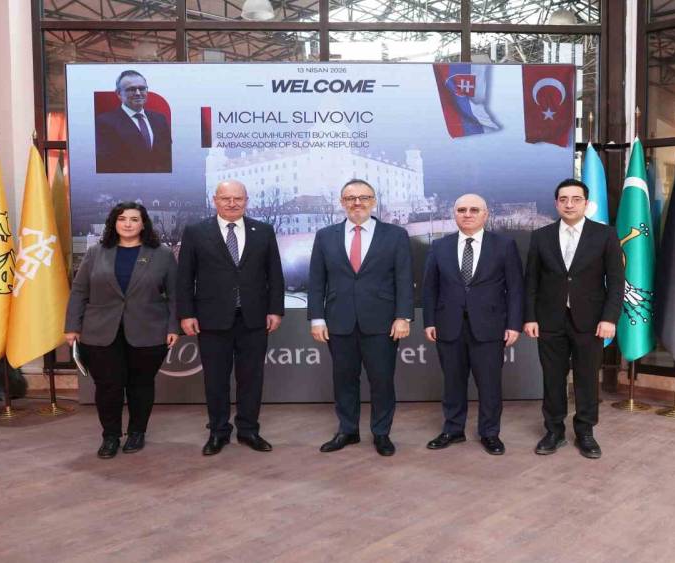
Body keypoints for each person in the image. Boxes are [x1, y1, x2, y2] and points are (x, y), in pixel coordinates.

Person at [177, 180, 284, 456]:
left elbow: (274, 274)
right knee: (215, 379)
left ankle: (249, 430)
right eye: (226, 198)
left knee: (251, 378)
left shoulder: (263, 231)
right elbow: (184, 277)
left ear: (246, 200)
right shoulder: (196, 232)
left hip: (254, 318)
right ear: (215, 200)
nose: (232, 203)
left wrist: (275, 310)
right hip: (211, 319)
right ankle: (218, 431)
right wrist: (186, 314)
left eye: (238, 198)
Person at [64, 202, 179, 459]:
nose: (128, 224)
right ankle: (111, 436)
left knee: (141, 385)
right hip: (100, 331)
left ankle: (137, 432)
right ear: (113, 223)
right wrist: (72, 326)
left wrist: (174, 326)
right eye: (122, 218)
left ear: (143, 224)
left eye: (134, 219)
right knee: (108, 386)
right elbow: (79, 291)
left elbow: (175, 294)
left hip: (149, 330)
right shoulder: (96, 253)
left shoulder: (162, 254)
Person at [308, 179, 413, 456]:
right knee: (344, 380)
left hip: (382, 323)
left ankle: (381, 433)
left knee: (382, 381)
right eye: (350, 198)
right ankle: (348, 430)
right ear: (342, 202)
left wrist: (403, 316)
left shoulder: (395, 235)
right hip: (338, 322)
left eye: (364, 197)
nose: (357, 203)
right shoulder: (325, 236)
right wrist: (317, 318)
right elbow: (317, 281)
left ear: (374, 201)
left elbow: (404, 279)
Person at [524, 179, 624, 459]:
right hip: (549, 320)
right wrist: (530, 317)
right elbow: (531, 281)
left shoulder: (605, 235)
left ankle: (585, 432)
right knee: (552, 378)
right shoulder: (541, 236)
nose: (569, 204)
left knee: (587, 378)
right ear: (556, 203)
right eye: (563, 199)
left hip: (591, 322)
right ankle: (554, 431)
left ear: (586, 203)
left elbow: (617, 281)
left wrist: (609, 318)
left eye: (576, 199)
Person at [422, 194, 523, 455]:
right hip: (448, 326)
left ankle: (490, 433)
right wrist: (429, 321)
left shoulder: (504, 245)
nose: (467, 214)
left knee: (489, 385)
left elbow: (515, 289)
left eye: (474, 210)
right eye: (462, 210)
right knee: (453, 383)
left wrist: (514, 324)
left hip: (489, 327)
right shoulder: (439, 246)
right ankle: (453, 430)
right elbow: (430, 287)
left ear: (485, 214)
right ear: (454, 214)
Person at [95, 70, 172, 174]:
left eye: (142, 88)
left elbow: (167, 155)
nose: (138, 93)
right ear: (119, 93)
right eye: (131, 89)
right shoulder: (104, 122)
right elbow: (106, 163)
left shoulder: (159, 119)